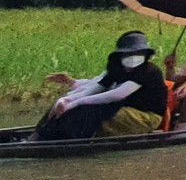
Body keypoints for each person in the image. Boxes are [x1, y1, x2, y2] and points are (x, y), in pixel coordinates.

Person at [33, 31, 170, 140]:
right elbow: (96, 87)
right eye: (129, 53)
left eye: (138, 53)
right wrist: (66, 100)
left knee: (90, 112)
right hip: (123, 107)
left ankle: (75, 138)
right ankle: (37, 136)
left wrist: (75, 103)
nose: (133, 57)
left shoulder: (149, 71)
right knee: (65, 107)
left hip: (146, 116)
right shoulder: (117, 69)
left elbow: (116, 95)